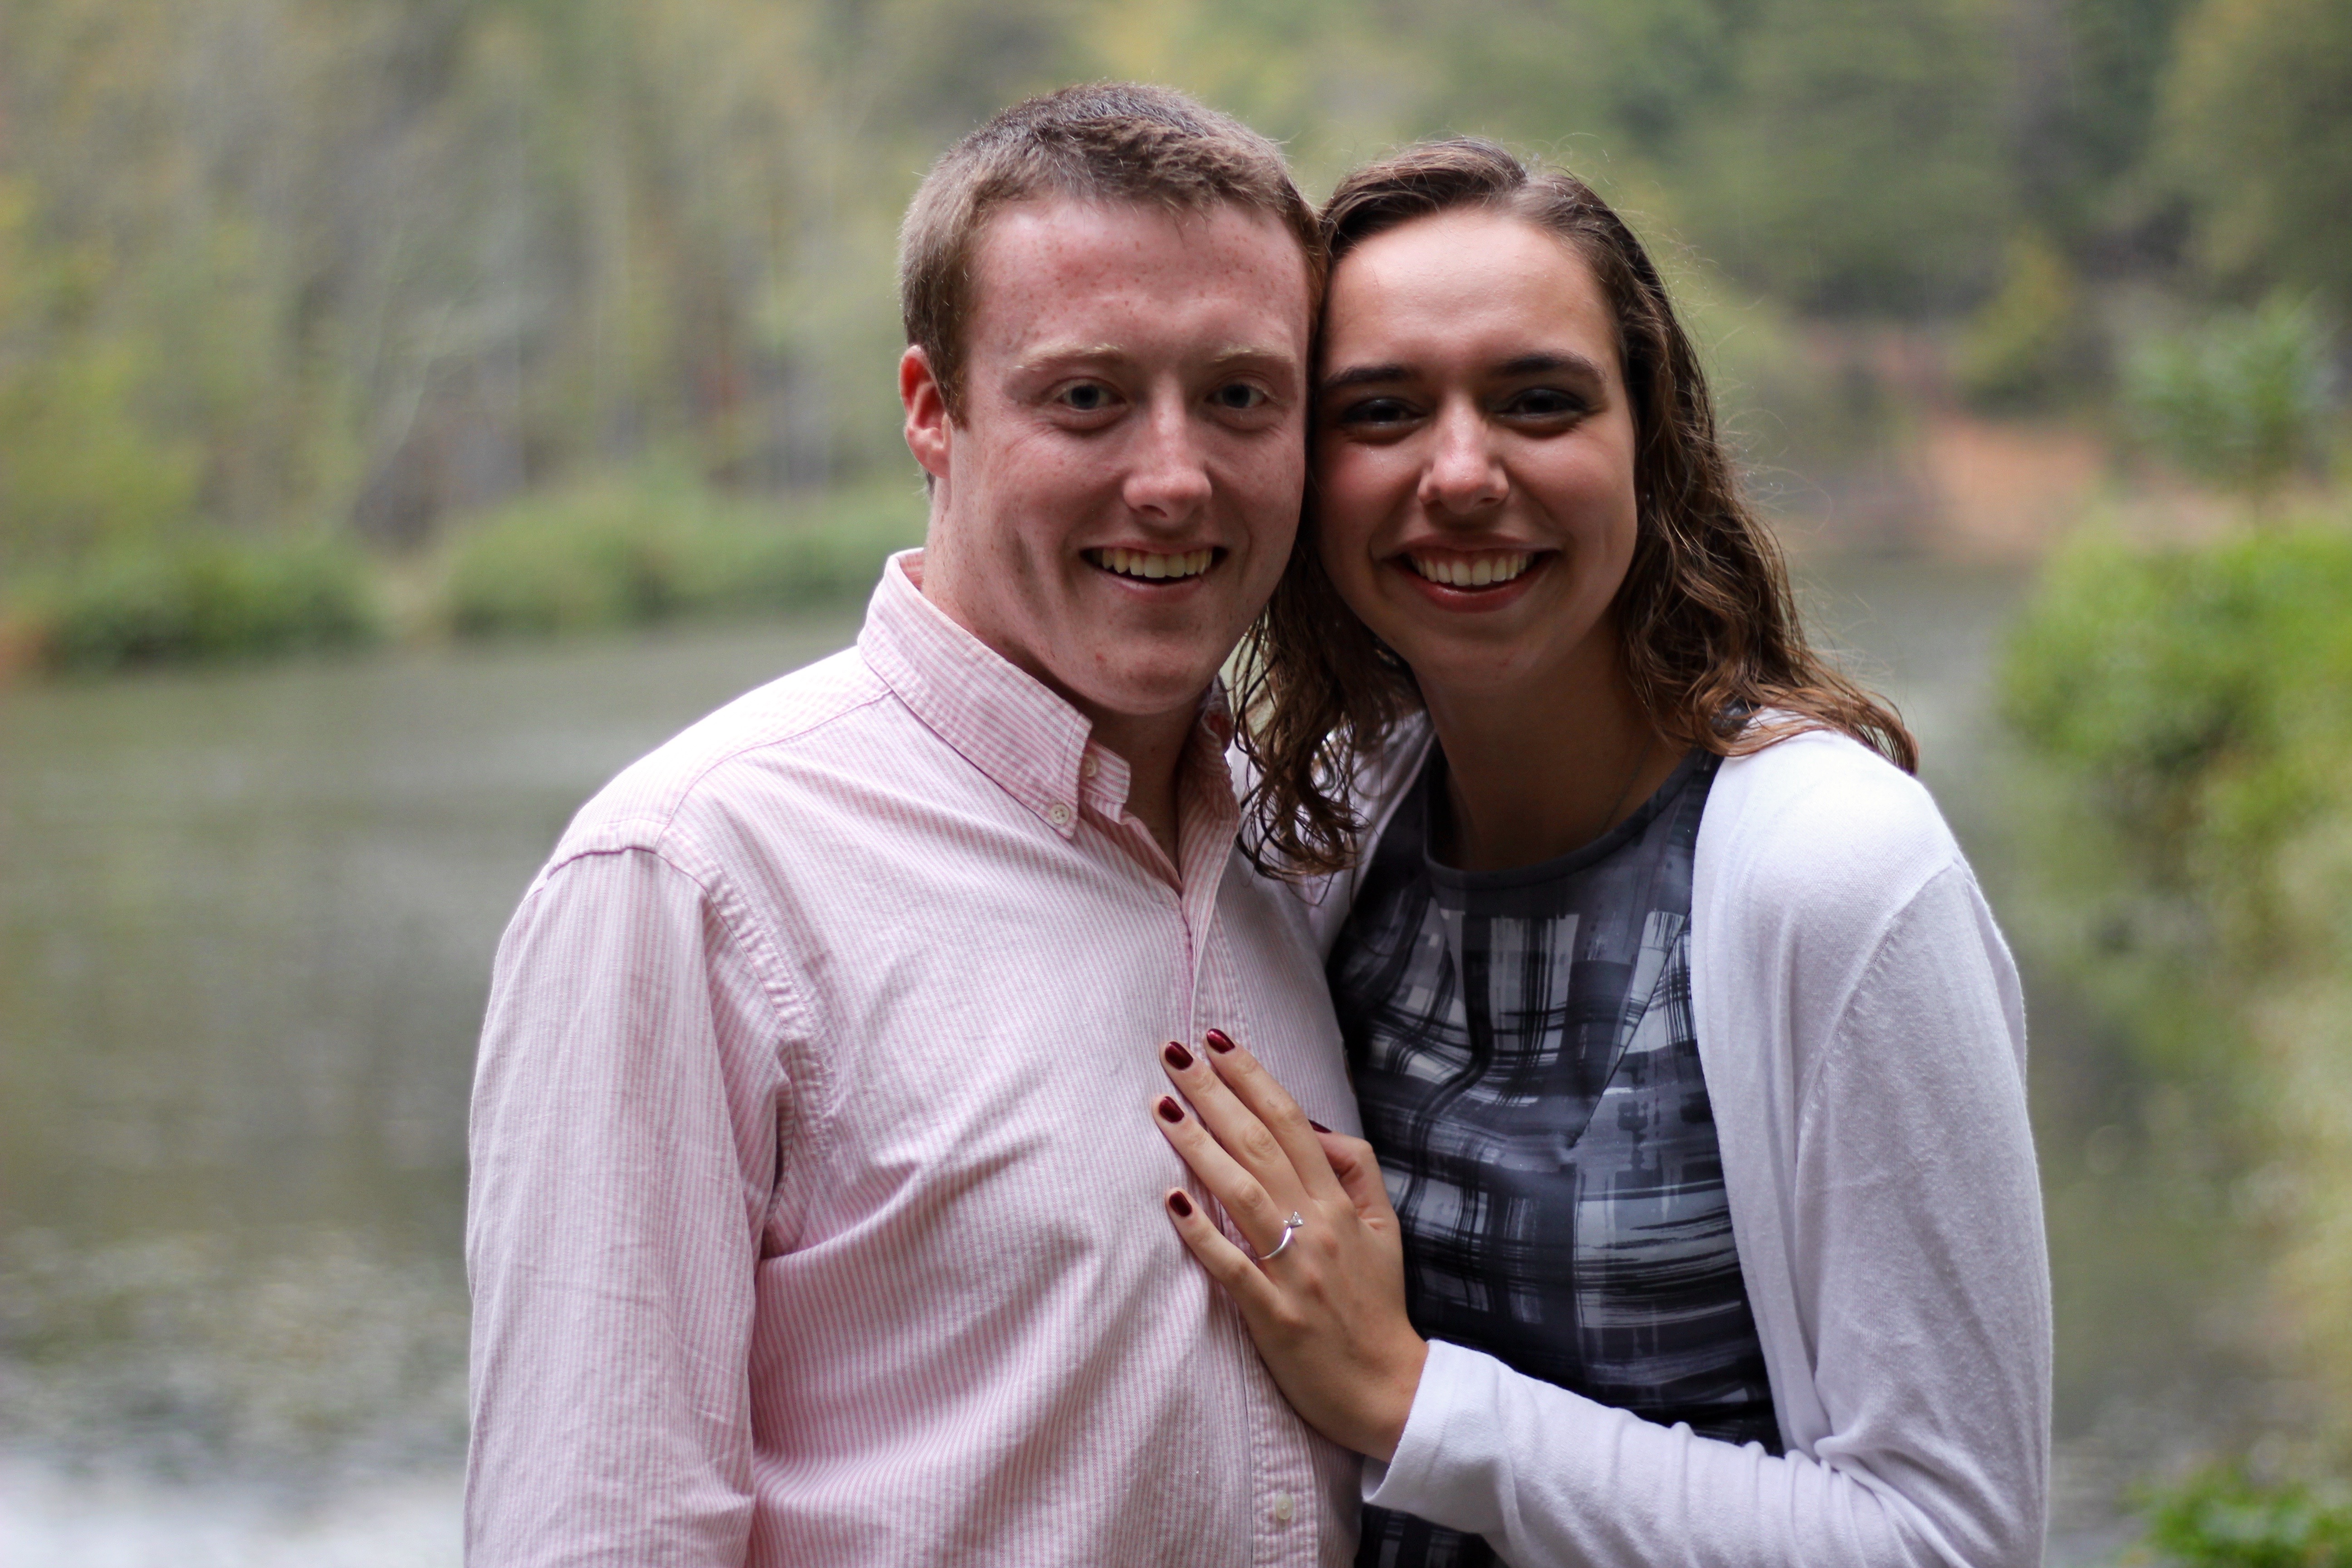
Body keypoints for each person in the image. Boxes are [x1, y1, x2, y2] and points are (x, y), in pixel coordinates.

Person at [465, 83, 1368, 1566]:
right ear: (933, 410)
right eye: (1086, 398)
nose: (1174, 477)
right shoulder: (689, 879)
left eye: (1239, 398)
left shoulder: (1309, 845)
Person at [1148, 140, 2051, 1568]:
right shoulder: (1320, 832)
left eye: (1539, 401)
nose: (1461, 473)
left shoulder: (1837, 874)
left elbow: (1947, 1537)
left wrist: (1412, 1401)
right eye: (1380, 411)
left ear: (1652, 441)